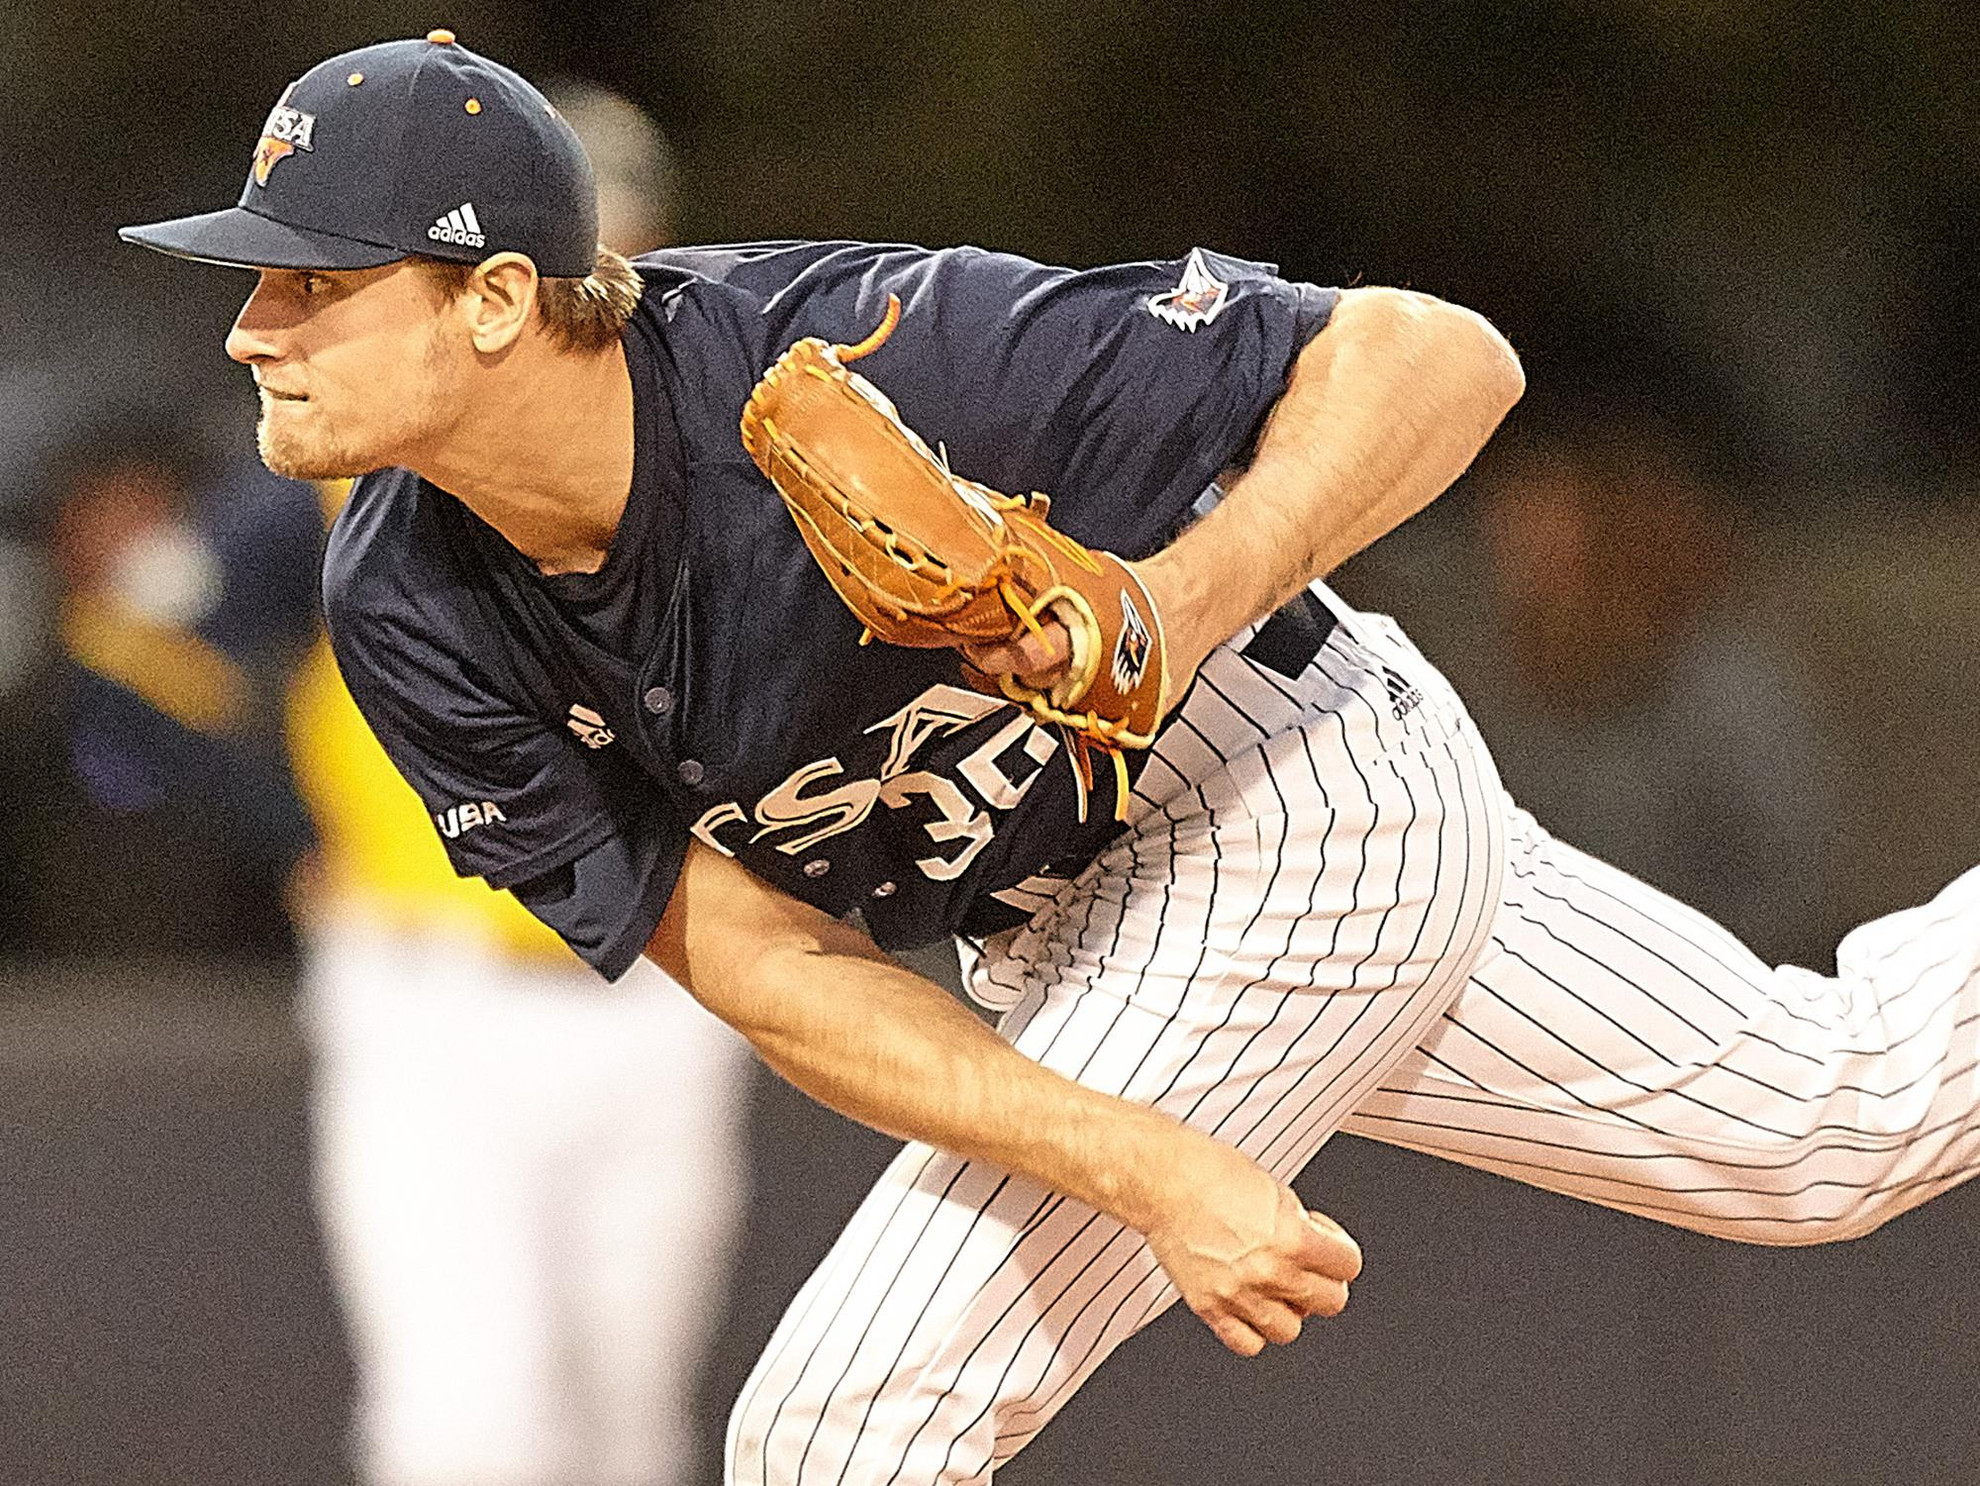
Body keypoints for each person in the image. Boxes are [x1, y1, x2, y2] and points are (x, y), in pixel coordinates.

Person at [122, 34, 1980, 1486]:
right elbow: (772, 966)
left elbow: (1444, 360)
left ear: (500, 300)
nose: (248, 325)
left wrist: (1170, 599)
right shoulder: (410, 604)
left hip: (1281, 789)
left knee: (843, 1432)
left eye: (308, 283)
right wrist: (1150, 1160)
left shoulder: (851, 354)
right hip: (1069, 913)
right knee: (1838, 1118)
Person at [283, 84, 750, 1486]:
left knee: (628, 1427)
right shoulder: (344, 455)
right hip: (435, 995)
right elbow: (146, 654)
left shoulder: (714, 458)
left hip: (665, 987)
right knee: (466, 1426)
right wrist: (282, 825)